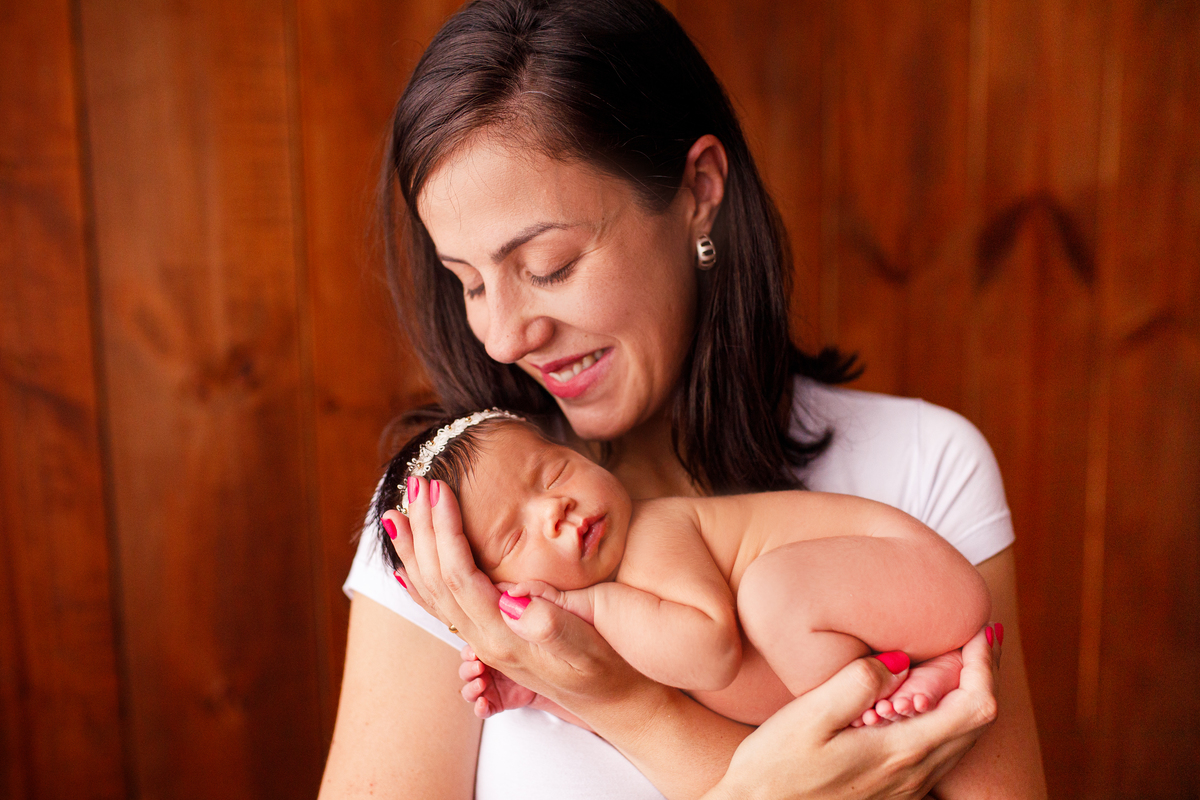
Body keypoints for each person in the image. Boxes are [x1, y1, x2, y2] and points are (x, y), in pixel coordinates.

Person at [319, 1, 1047, 798]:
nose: (502, 337)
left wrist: (620, 701)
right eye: (468, 282)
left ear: (700, 188)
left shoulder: (923, 468)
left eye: (550, 265)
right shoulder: (451, 533)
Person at [373, 409, 992, 734]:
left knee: (772, 592)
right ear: (493, 590)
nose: (555, 509)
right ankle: (929, 670)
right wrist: (552, 690)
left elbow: (713, 653)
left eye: (555, 470)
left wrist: (588, 610)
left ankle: (925, 666)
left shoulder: (650, 535)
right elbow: (644, 696)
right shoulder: (627, 613)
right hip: (898, 616)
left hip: (917, 575)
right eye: (514, 534)